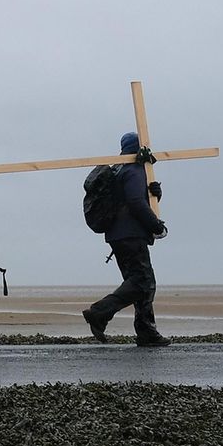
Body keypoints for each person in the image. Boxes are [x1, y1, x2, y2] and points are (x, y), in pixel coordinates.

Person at [83, 132, 169, 347]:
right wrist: (156, 226)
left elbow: (136, 198)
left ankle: (147, 332)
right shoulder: (134, 169)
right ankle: (99, 313)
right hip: (130, 234)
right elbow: (135, 202)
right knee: (143, 282)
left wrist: (155, 195)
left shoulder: (119, 168)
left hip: (117, 235)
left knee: (141, 283)